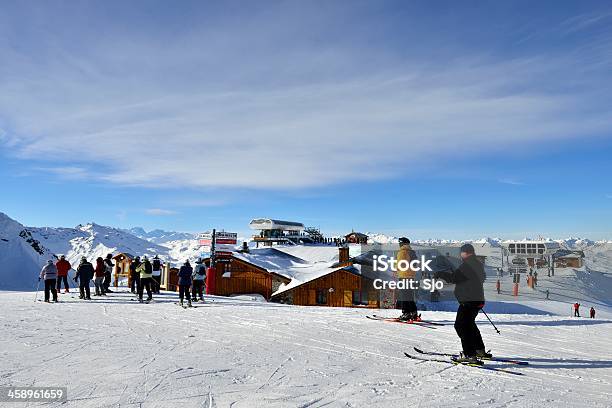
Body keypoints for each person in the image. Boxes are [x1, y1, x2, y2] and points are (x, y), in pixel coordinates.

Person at [435, 243, 488, 364]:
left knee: (461, 326)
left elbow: (454, 278)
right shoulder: (477, 263)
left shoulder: (468, 265)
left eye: (462, 252)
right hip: (476, 299)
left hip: (468, 301)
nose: (460, 255)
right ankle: (479, 350)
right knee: (470, 325)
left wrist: (440, 274)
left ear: (467, 252)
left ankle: (469, 354)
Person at [396, 237, 419, 322]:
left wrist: (396, 267)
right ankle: (413, 312)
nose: (399, 245)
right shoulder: (412, 252)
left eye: (400, 243)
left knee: (404, 296)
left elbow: (401, 265)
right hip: (411, 277)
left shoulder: (402, 252)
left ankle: (406, 313)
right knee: (409, 295)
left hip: (403, 276)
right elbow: (415, 265)